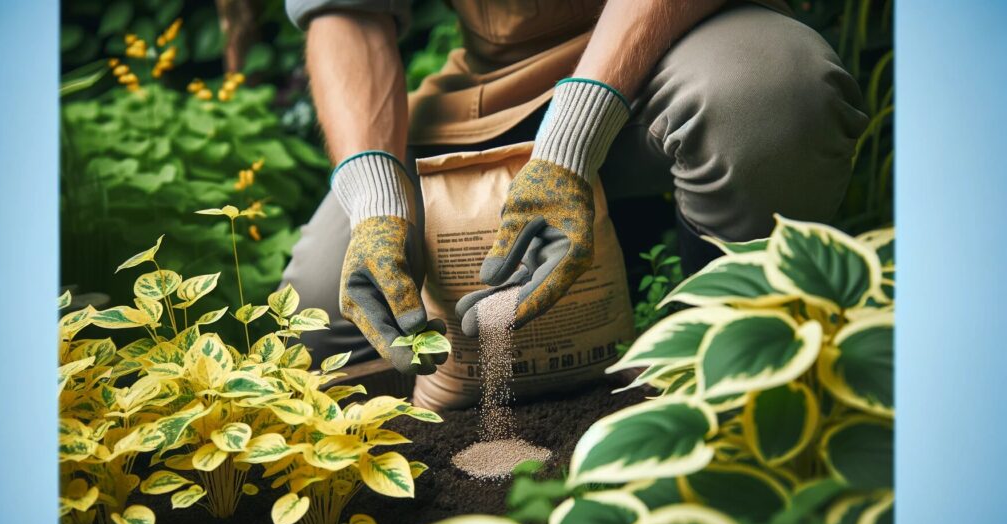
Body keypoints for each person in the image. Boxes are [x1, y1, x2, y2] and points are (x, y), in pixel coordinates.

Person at [281, 0, 869, 377]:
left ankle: (731, 361)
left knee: (770, 102)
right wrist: (377, 204)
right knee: (317, 309)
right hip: (501, 81)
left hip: (684, 40)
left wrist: (570, 145)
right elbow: (346, 13)